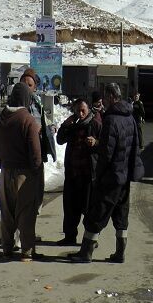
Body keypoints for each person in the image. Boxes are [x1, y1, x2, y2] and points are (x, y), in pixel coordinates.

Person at [69, 83, 144, 263]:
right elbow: (136, 146)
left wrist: (98, 175)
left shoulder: (111, 120)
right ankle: (120, 253)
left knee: (96, 214)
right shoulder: (129, 117)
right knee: (121, 215)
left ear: (111, 96)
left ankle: (86, 253)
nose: (103, 100)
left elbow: (106, 153)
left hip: (111, 177)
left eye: (105, 96)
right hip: (125, 177)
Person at [0, 83, 43, 261]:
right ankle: (26, 251)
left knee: (7, 212)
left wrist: (1, 162)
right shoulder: (28, 120)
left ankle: (6, 248)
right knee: (25, 212)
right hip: (24, 173)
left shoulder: (0, 118)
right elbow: (35, 152)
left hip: (6, 171)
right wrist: (35, 170)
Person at [55, 98, 101, 246]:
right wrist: (65, 125)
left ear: (88, 110)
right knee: (70, 208)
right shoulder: (73, 125)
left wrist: (96, 142)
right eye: (77, 111)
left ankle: (91, 239)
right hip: (73, 174)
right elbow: (60, 140)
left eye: (83, 110)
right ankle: (70, 236)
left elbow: (106, 145)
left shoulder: (95, 125)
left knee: (89, 210)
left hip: (88, 175)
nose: (80, 114)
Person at [21, 68, 57, 216]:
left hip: (38, 156)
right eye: (23, 84)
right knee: (24, 200)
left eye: (29, 85)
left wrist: (49, 128)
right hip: (23, 159)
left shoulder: (36, 103)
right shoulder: (16, 104)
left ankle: (30, 233)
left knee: (37, 197)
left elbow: (42, 121)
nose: (26, 88)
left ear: (35, 87)